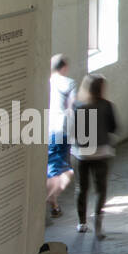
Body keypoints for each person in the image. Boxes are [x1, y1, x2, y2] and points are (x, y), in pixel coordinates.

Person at [70, 75, 118, 238]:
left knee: (81, 188)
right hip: (101, 152)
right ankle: (98, 224)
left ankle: (82, 223)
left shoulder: (78, 105)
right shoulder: (107, 105)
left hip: (81, 153)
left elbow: (74, 131)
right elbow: (113, 127)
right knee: (100, 189)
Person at [45, 55, 75, 219]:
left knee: (52, 166)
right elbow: (73, 106)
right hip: (61, 129)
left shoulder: (47, 82)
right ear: (64, 67)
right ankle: (52, 201)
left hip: (46, 128)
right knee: (64, 171)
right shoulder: (69, 83)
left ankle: (54, 203)